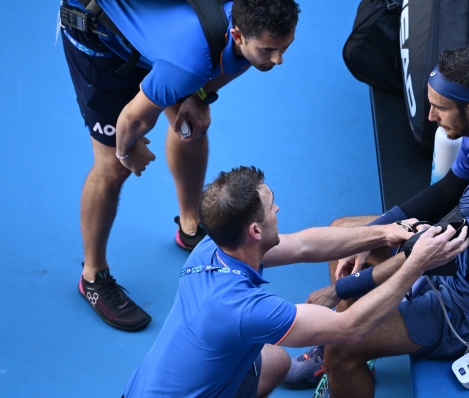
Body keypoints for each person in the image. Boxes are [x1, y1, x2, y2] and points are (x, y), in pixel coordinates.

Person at [284, 47, 469, 397]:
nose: (431, 115)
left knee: (343, 345)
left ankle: (339, 353)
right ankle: (345, 340)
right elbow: (444, 194)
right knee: (347, 233)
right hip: (466, 255)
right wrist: (368, 238)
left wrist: (335, 292)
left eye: (440, 107)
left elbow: (420, 254)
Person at [122, 165, 469, 397]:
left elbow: (304, 245)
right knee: (321, 347)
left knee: (275, 361)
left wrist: (385, 231)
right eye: (271, 206)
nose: (278, 210)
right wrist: (416, 264)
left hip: (155, 386)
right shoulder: (245, 310)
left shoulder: (214, 247)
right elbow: (349, 327)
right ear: (255, 230)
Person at [61, 0, 300, 331]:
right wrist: (127, 153)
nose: (279, 59)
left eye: (285, 47)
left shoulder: (247, 35)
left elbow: (214, 76)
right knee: (111, 170)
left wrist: (197, 99)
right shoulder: (191, 62)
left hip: (167, 46)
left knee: (191, 130)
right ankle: (92, 277)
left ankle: (190, 226)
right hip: (99, 39)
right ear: (238, 35)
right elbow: (130, 119)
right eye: (270, 50)